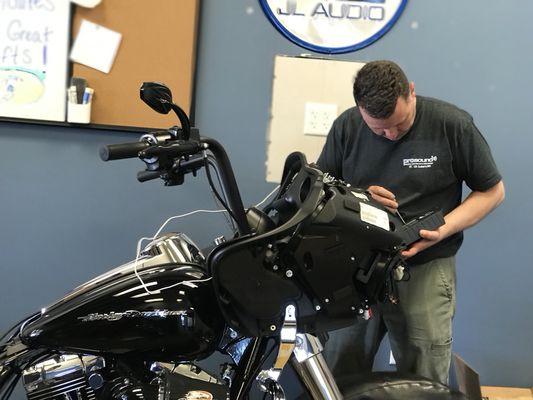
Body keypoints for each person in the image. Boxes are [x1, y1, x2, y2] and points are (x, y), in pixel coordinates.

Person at [317, 60, 505, 389]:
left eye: (399, 125)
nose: (390, 135)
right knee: (339, 369)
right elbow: (321, 195)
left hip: (426, 267)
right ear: (361, 109)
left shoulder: (452, 125)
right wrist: (358, 196)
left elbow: (493, 191)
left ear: (412, 92)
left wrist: (443, 229)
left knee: (425, 373)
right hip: (356, 268)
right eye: (379, 130)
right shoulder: (346, 127)